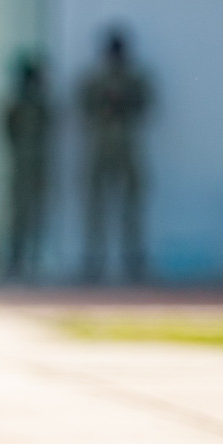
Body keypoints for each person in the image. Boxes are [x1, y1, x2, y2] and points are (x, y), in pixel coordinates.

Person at [78, 27, 152, 282]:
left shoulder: (135, 79)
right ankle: (93, 259)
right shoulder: (94, 79)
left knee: (131, 204)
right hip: (100, 145)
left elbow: (146, 105)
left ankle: (133, 258)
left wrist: (125, 100)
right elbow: (84, 107)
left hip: (127, 145)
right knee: (95, 204)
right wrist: (105, 103)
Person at [2, 55, 51, 280]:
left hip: (37, 163)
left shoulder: (40, 103)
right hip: (22, 164)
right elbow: (6, 131)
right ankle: (16, 257)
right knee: (18, 214)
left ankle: (33, 257)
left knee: (37, 212)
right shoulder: (16, 103)